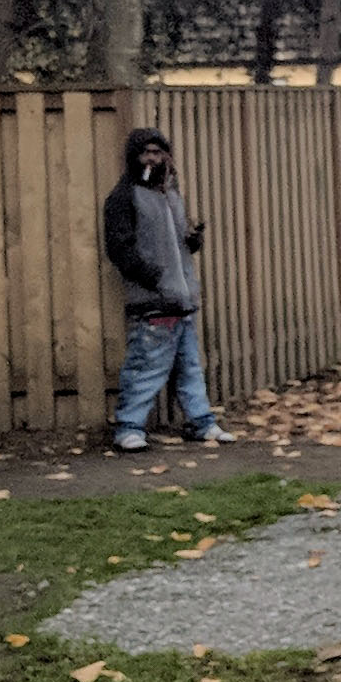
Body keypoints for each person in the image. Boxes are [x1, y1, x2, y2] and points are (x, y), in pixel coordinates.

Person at [101, 125, 229, 452]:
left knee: (189, 368)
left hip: (181, 300)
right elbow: (120, 248)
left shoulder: (171, 194)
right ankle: (128, 427)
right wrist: (151, 276)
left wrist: (192, 241)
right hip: (153, 302)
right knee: (145, 367)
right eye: (147, 153)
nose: (154, 159)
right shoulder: (124, 197)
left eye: (159, 152)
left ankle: (202, 422)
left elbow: (174, 244)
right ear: (135, 157)